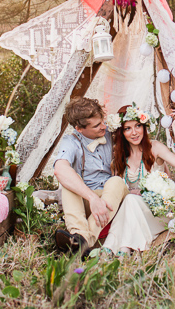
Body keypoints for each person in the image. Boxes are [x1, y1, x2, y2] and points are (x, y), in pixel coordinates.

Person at [101, 103, 175, 255]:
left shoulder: (154, 147)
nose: (134, 132)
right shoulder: (119, 159)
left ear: (144, 127)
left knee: (130, 200)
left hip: (159, 212)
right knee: (129, 200)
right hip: (135, 213)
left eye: (137, 126)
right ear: (122, 133)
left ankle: (110, 249)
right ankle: (123, 249)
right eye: (128, 128)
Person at [53, 97, 128, 254]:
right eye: (96, 126)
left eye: (102, 121)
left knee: (116, 181)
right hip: (89, 199)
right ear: (79, 128)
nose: (103, 127)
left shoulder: (110, 132)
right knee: (69, 181)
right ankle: (79, 236)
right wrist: (92, 198)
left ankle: (84, 241)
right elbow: (60, 169)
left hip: (112, 197)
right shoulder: (71, 141)